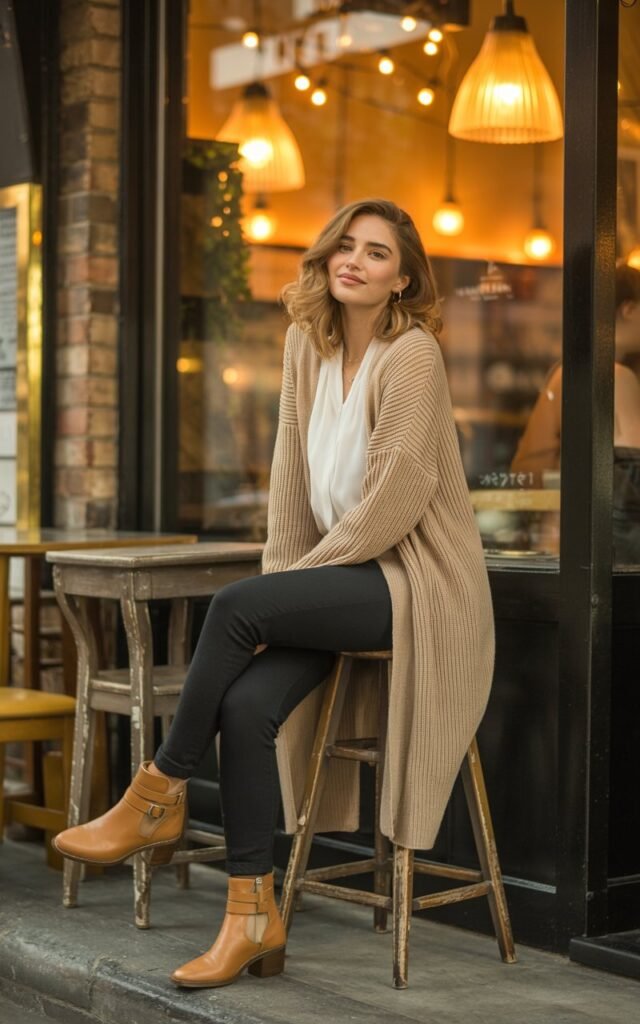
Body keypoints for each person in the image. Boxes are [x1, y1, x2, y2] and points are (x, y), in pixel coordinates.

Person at [53, 199, 495, 988]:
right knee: (245, 707)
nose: (354, 260)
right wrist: (294, 574)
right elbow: (289, 489)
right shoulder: (304, 346)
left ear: (403, 279)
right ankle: (252, 914)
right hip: (341, 571)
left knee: (235, 605)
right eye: (345, 246)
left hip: (416, 581)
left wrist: (292, 585)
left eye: (378, 253)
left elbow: (398, 495)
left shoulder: (413, 354)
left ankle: (156, 793)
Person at [511, 263, 640, 562]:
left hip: (552, 538)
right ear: (630, 309)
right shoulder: (616, 375)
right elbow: (633, 476)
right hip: (593, 551)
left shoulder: (568, 370)